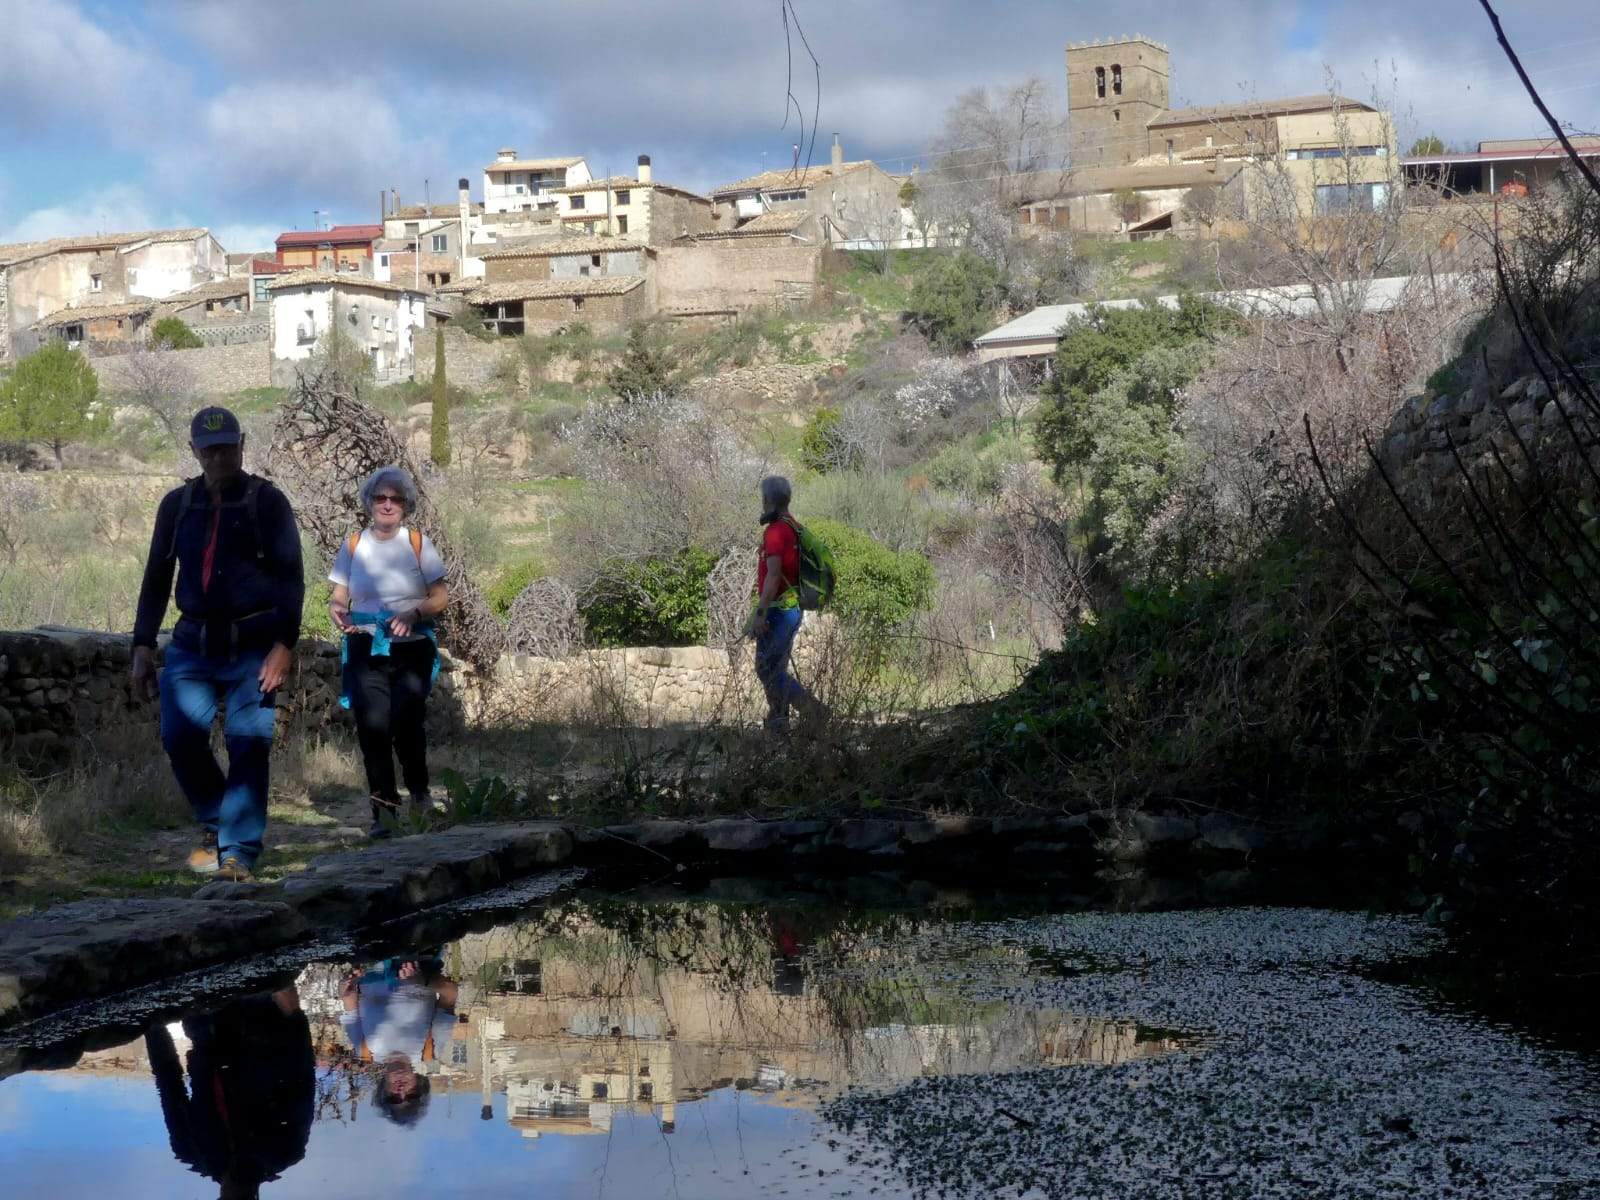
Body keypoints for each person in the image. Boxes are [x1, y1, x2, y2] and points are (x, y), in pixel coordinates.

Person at [131, 407, 304, 883]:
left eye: (227, 446)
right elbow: (156, 577)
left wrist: (284, 645)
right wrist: (143, 644)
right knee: (179, 738)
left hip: (253, 643)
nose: (219, 455)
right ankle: (219, 824)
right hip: (192, 643)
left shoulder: (267, 502)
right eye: (208, 448)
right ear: (194, 451)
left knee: (248, 744)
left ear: (242, 444)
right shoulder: (177, 506)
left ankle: (238, 854)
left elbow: (291, 578)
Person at [327, 465, 449, 837]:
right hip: (366, 646)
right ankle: (384, 811)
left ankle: (420, 795)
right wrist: (339, 614)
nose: (387, 504)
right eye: (380, 497)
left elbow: (441, 596)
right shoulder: (352, 546)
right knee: (373, 727)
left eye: (395, 498)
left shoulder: (418, 543)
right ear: (368, 502)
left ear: (406, 504)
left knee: (407, 724)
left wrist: (413, 614)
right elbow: (337, 597)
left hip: (411, 648)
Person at [145, 985, 315, 1200]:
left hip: (204, 1020)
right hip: (260, 1016)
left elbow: (168, 1082)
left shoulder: (191, 1149)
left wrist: (151, 1021)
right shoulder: (285, 1150)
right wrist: (292, 1014)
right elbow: (302, 1079)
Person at [339, 956, 459, 1126]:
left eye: (394, 1098)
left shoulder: (365, 1053)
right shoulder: (429, 1050)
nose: (401, 1091)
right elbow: (451, 992)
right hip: (419, 955)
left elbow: (347, 998)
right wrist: (422, 980)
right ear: (420, 1087)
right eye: (411, 1096)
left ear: (383, 1091)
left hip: (372, 963)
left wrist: (347, 984)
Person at [744, 474, 822, 733]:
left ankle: (813, 710)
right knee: (776, 669)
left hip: (778, 611)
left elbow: (774, 577)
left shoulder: (776, 532)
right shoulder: (793, 526)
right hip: (791, 609)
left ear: (767, 500)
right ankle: (778, 726)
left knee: (766, 669)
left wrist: (760, 613)